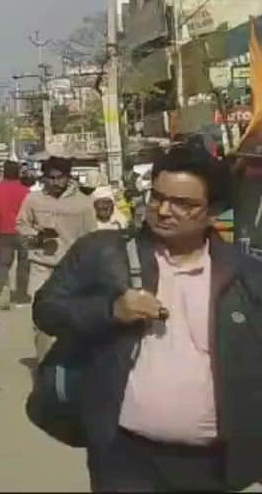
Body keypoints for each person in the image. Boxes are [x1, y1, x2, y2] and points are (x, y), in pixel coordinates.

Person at [32, 145, 262, 492]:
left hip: (213, 465)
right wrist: (111, 311)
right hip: (124, 457)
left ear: (213, 212)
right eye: (158, 197)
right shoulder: (104, 252)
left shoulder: (246, 275)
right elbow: (47, 309)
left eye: (183, 204)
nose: (164, 210)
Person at [17, 156, 96, 362]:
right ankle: (45, 365)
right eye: (50, 178)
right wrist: (37, 235)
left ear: (68, 177)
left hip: (71, 269)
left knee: (70, 320)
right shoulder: (33, 200)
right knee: (41, 320)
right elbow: (21, 224)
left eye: (59, 177)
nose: (55, 182)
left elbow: (91, 237)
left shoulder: (83, 203)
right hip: (41, 266)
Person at [0, 159, 32, 310]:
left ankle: (4, 286)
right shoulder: (27, 192)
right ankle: (21, 294)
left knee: (3, 264)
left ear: (4, 173)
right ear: (18, 173)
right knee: (24, 264)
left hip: (5, 232)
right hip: (24, 233)